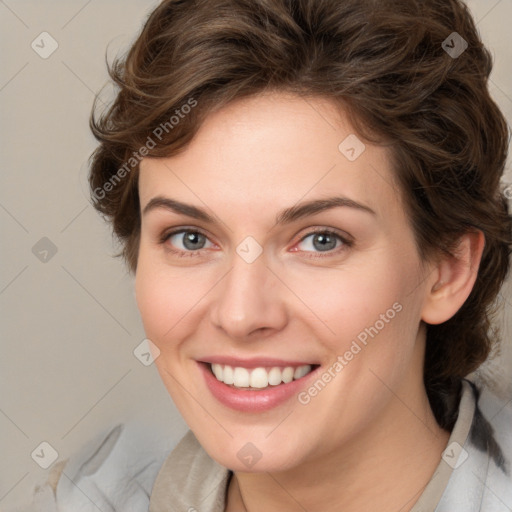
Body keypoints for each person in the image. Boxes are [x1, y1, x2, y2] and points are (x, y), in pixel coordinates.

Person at [24, 0, 512, 510]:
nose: (240, 314)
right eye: (190, 238)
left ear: (447, 271)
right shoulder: (84, 497)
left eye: (322, 240)